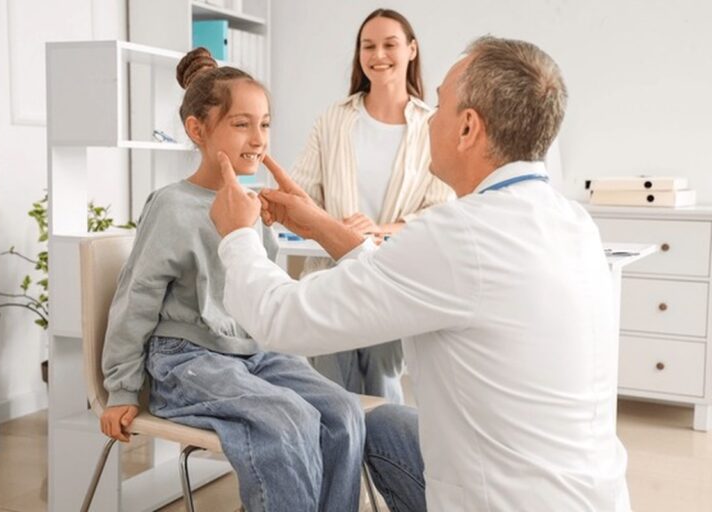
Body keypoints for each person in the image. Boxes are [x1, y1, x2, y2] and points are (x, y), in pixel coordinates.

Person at [210, 36, 631, 511]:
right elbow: (403, 280)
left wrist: (237, 236)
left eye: (439, 104)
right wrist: (321, 225)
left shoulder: (462, 233)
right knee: (385, 425)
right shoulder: (571, 221)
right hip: (588, 496)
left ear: (468, 127)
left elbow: (281, 320)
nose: (430, 117)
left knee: (367, 418)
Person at [98, 47, 365, 512]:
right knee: (287, 417)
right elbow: (136, 297)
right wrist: (120, 388)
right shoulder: (171, 204)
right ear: (197, 130)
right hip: (186, 360)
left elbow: (265, 286)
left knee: (343, 413)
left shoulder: (253, 202)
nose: (258, 138)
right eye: (242, 124)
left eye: (264, 124)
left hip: (252, 353)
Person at [291, 8, 452, 404]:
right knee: (330, 396)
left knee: (384, 391)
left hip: (393, 277)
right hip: (330, 277)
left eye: (389, 44)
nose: (378, 54)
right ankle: (337, 469)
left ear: (411, 50)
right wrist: (337, 229)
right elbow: (299, 195)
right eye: (368, 46)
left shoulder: (431, 125)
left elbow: (442, 209)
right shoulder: (333, 119)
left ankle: (387, 467)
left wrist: (378, 230)